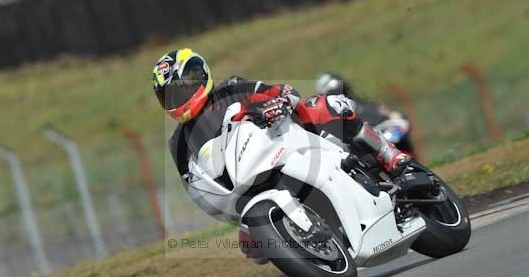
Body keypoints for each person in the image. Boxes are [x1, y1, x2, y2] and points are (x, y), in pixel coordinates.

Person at [152, 48, 411, 182]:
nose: (177, 100)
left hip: (288, 138)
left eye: (179, 91)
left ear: (197, 76)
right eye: (170, 96)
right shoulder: (179, 143)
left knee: (326, 104)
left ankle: (390, 155)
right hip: (249, 177)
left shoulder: (230, 89)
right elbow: (197, 187)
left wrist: (277, 103)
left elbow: (283, 91)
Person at [315, 72, 415, 154]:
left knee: (401, 125)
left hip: (386, 134)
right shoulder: (336, 120)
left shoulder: (363, 103)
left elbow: (395, 117)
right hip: (368, 143)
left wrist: (396, 119)